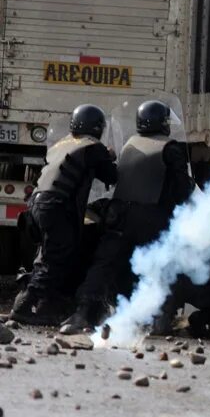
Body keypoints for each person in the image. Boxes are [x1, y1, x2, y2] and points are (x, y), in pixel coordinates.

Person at [59, 101, 195, 334]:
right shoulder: (170, 148)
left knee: (105, 264)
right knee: (162, 265)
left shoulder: (130, 144)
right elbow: (182, 190)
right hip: (151, 216)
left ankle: (82, 312)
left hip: (118, 214)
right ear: (163, 123)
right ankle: (159, 319)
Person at [11, 105, 117, 326]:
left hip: (36, 205)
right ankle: (22, 307)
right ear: (97, 128)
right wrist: (110, 157)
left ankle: (46, 305)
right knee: (55, 259)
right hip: (56, 206)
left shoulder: (62, 144)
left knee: (48, 256)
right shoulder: (93, 146)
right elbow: (111, 175)